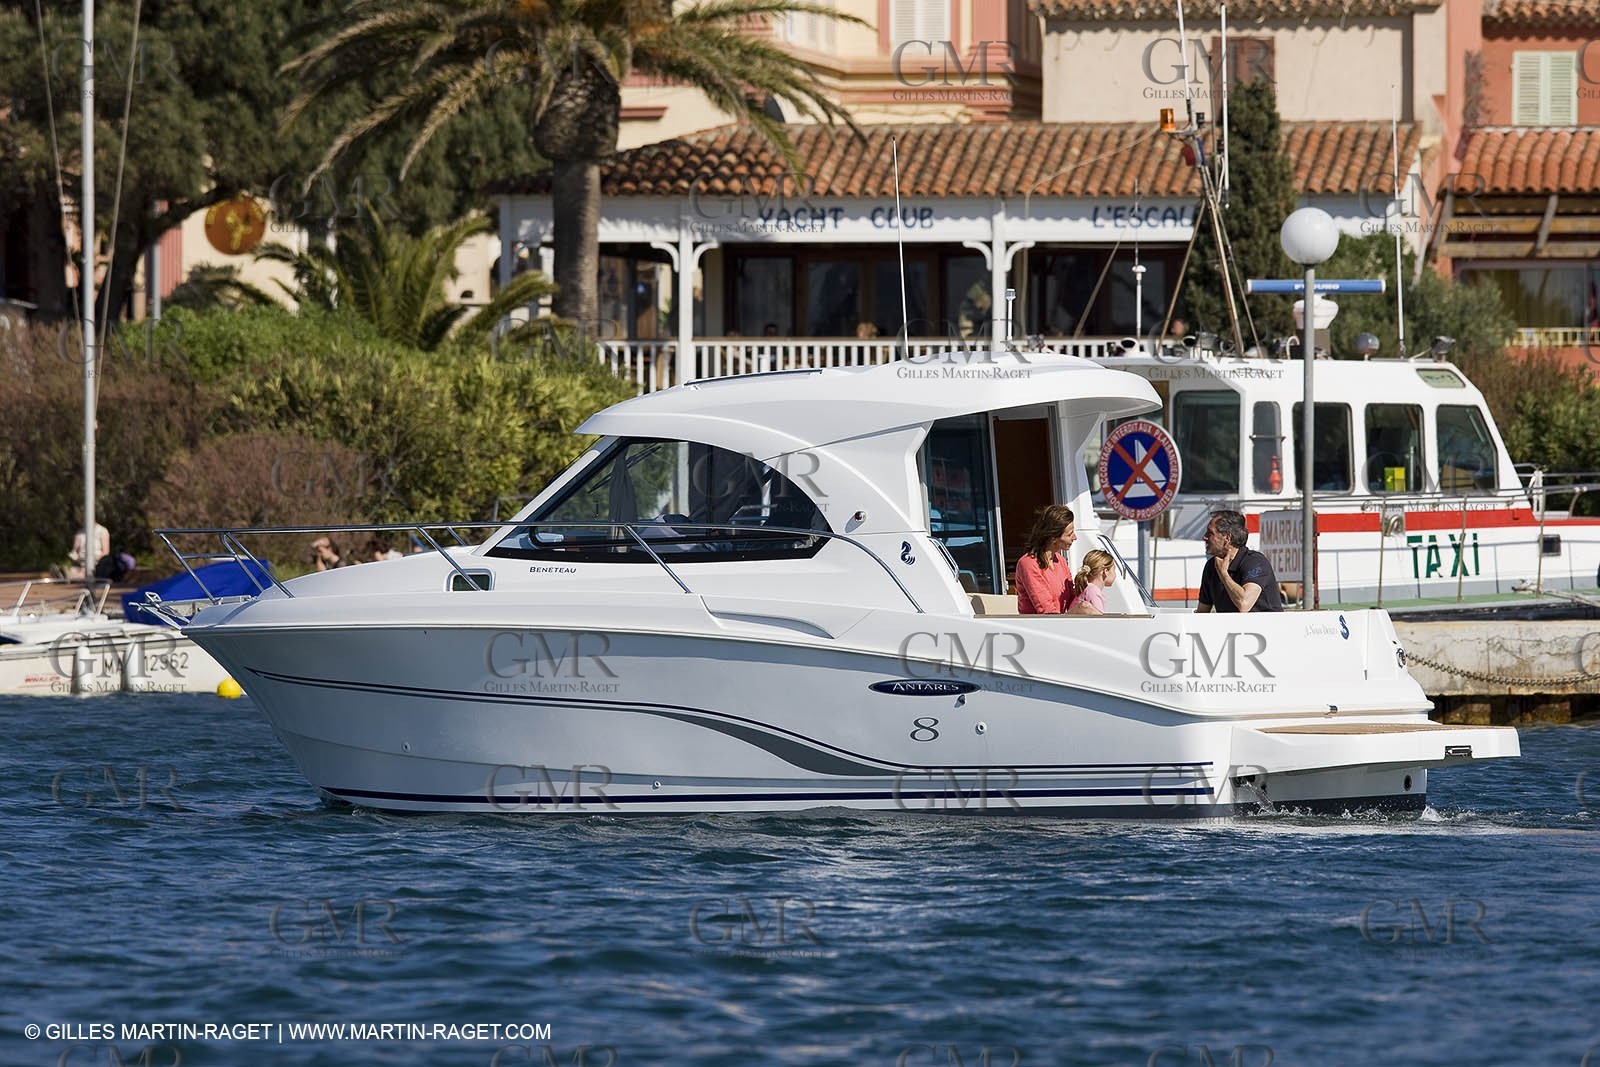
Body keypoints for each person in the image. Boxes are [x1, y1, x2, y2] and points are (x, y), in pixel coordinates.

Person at [1197, 510, 1283, 612]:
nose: (1204, 537)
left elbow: (1244, 604)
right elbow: (1202, 612)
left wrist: (1224, 574)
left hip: (1266, 622)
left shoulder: (1255, 562)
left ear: (1227, 538)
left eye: (1210, 533)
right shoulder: (1211, 567)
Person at [1014, 505, 1077, 614]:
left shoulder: (1060, 561)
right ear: (1053, 538)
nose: (1075, 537)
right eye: (1070, 534)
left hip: (1058, 621)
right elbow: (1046, 609)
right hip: (1040, 623)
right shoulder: (1028, 564)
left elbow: (1073, 599)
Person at [1068, 549, 1116, 615]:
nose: (1115, 574)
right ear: (1105, 571)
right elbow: (1099, 620)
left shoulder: (1086, 589)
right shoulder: (1093, 591)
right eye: (1114, 570)